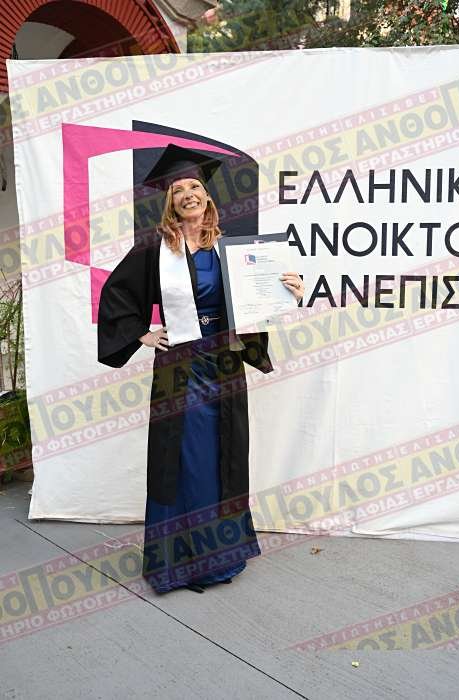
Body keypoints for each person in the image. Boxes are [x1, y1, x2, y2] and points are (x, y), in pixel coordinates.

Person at [97, 144, 305, 594]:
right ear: (170, 202)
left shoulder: (229, 248)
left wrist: (290, 289)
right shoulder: (155, 250)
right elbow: (116, 294)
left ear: (207, 196)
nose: (188, 194)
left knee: (221, 455)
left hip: (223, 362)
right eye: (178, 190)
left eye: (194, 186)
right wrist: (142, 334)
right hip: (178, 366)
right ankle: (177, 563)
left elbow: (257, 299)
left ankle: (218, 557)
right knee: (183, 457)